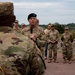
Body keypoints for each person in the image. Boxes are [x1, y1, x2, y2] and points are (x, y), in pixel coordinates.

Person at [0, 3, 45, 74]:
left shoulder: (41, 30)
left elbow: (44, 42)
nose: (32, 20)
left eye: (34, 18)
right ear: (13, 19)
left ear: (36, 20)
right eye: (31, 18)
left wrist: (36, 40)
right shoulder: (25, 35)